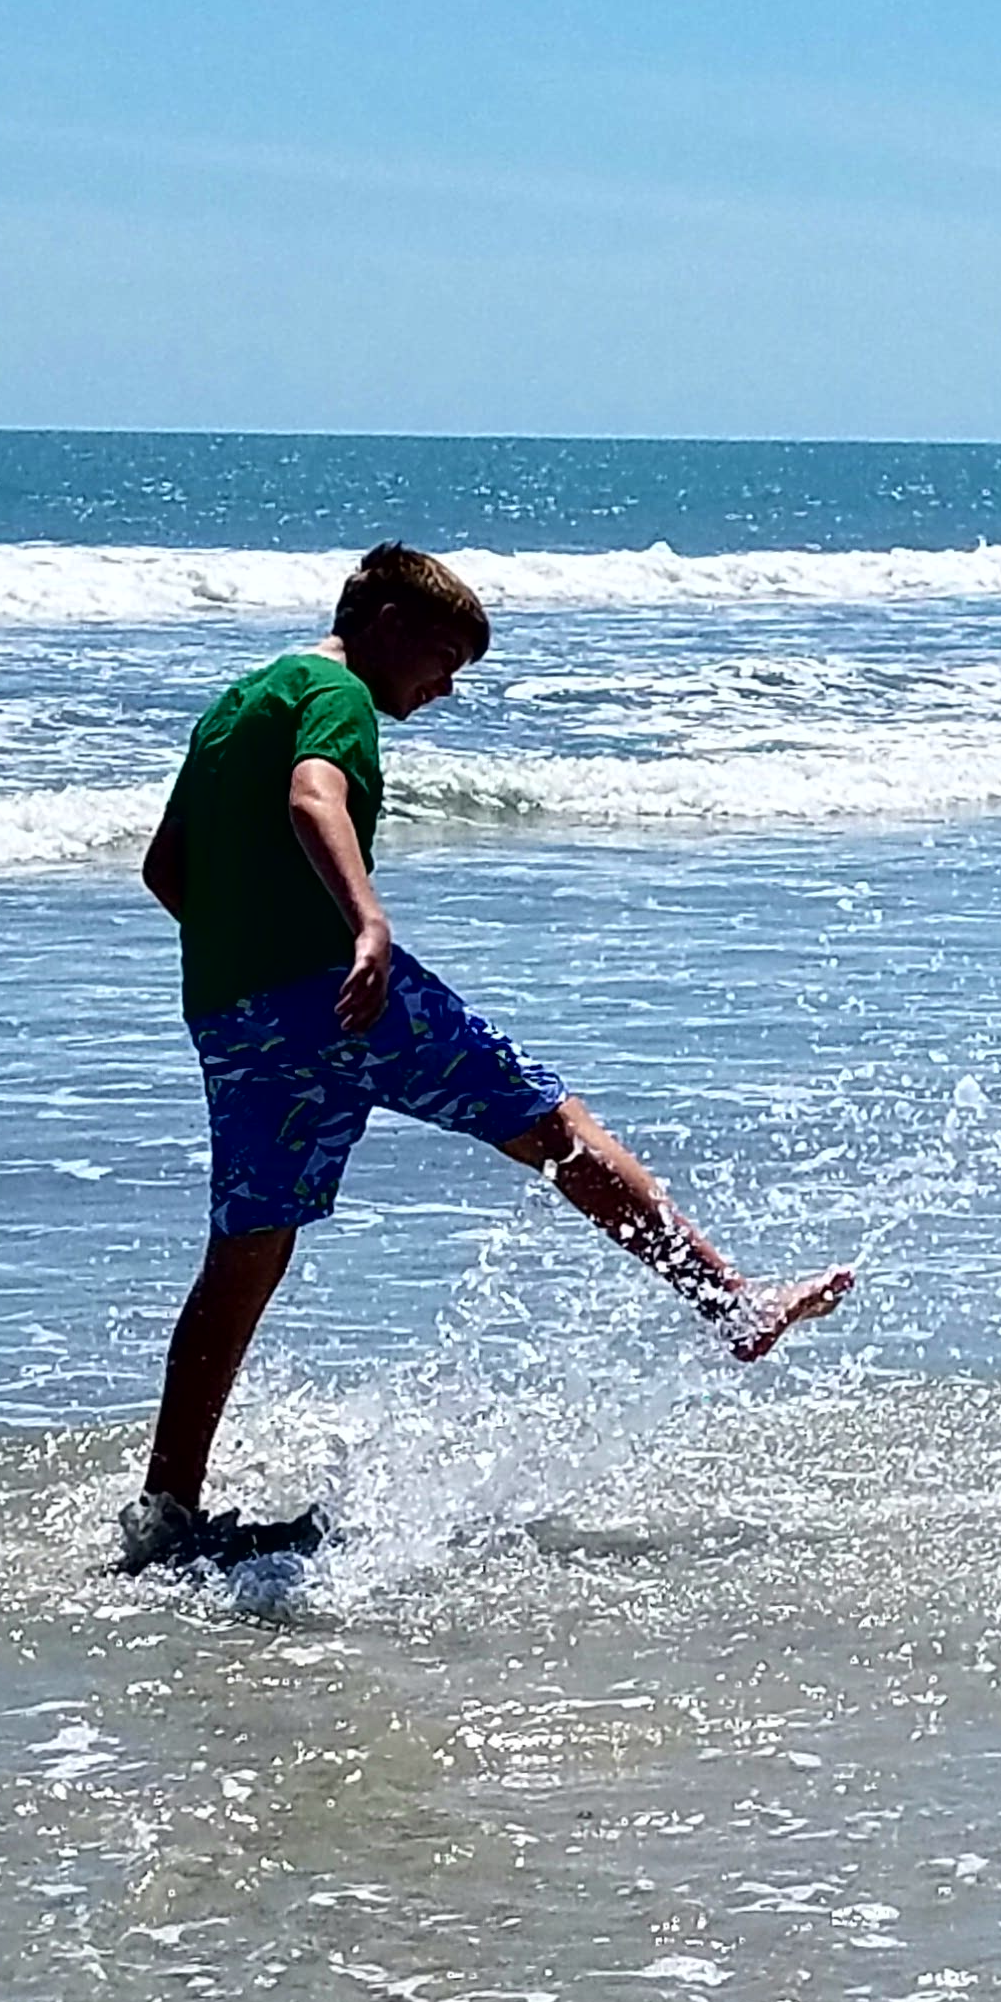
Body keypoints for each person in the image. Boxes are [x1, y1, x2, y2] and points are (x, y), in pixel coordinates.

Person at [121, 545, 852, 1572]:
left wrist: (252, 960)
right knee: (552, 1127)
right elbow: (313, 798)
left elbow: (166, 869)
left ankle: (167, 1515)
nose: (446, 688)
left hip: (233, 1014)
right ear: (384, 623)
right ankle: (732, 1305)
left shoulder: (236, 705)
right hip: (340, 991)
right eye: (443, 658)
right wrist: (365, 926)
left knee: (245, 1256)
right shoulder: (336, 693)